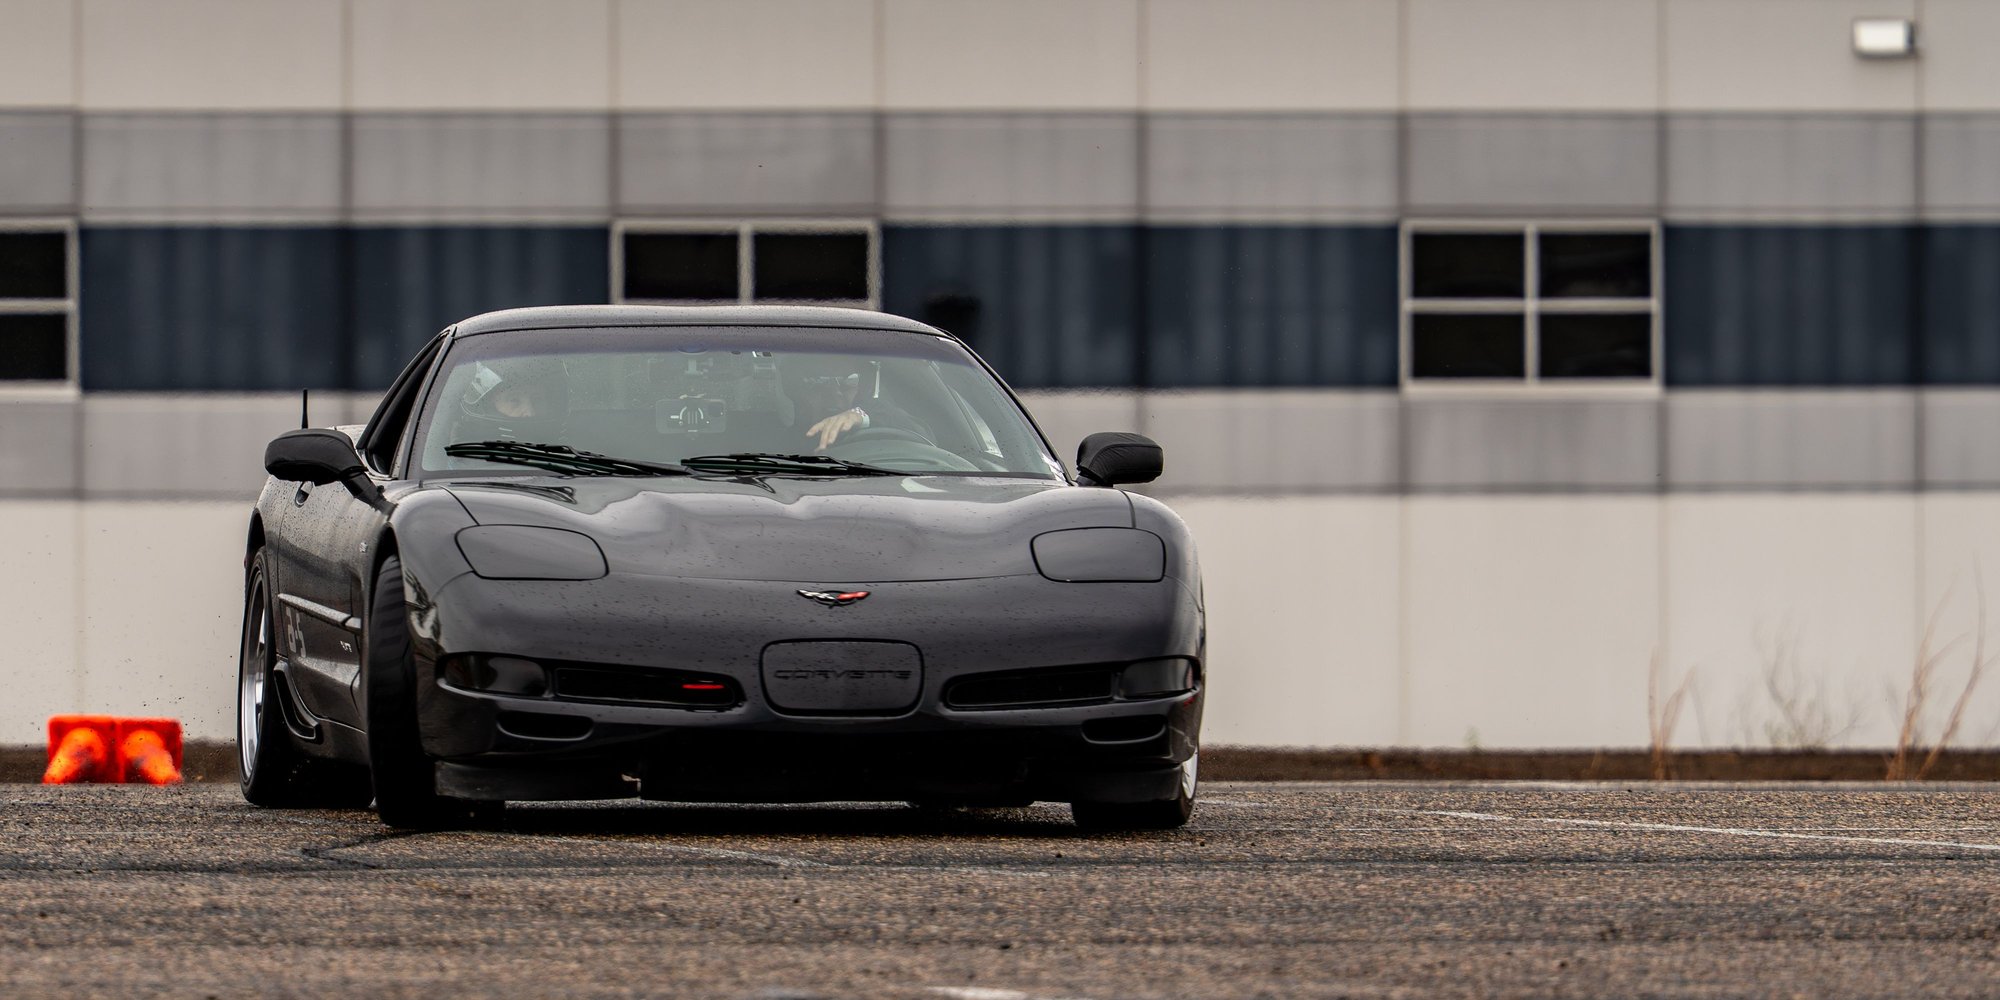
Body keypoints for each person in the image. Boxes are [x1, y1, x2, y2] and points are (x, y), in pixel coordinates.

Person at [781, 354, 922, 451]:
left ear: (861, 388)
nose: (835, 393)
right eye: (818, 382)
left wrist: (861, 414)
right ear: (795, 392)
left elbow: (924, 434)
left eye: (848, 381)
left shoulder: (879, 427)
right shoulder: (776, 444)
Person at [457, 357, 568, 444]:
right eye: (514, 400)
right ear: (491, 405)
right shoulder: (463, 455)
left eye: (537, 399)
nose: (530, 413)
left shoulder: (572, 446)